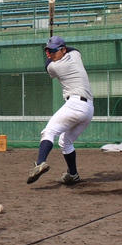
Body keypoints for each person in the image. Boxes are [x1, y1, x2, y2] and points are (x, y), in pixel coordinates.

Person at [26, 36, 94, 185]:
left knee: (48, 132)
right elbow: (72, 49)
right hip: (88, 109)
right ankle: (73, 174)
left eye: (53, 52)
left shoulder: (54, 67)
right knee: (65, 142)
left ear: (63, 50)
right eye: (48, 52)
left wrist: (53, 51)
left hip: (75, 104)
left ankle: (40, 163)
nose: (50, 55)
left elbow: (47, 66)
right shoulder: (76, 55)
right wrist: (54, 47)